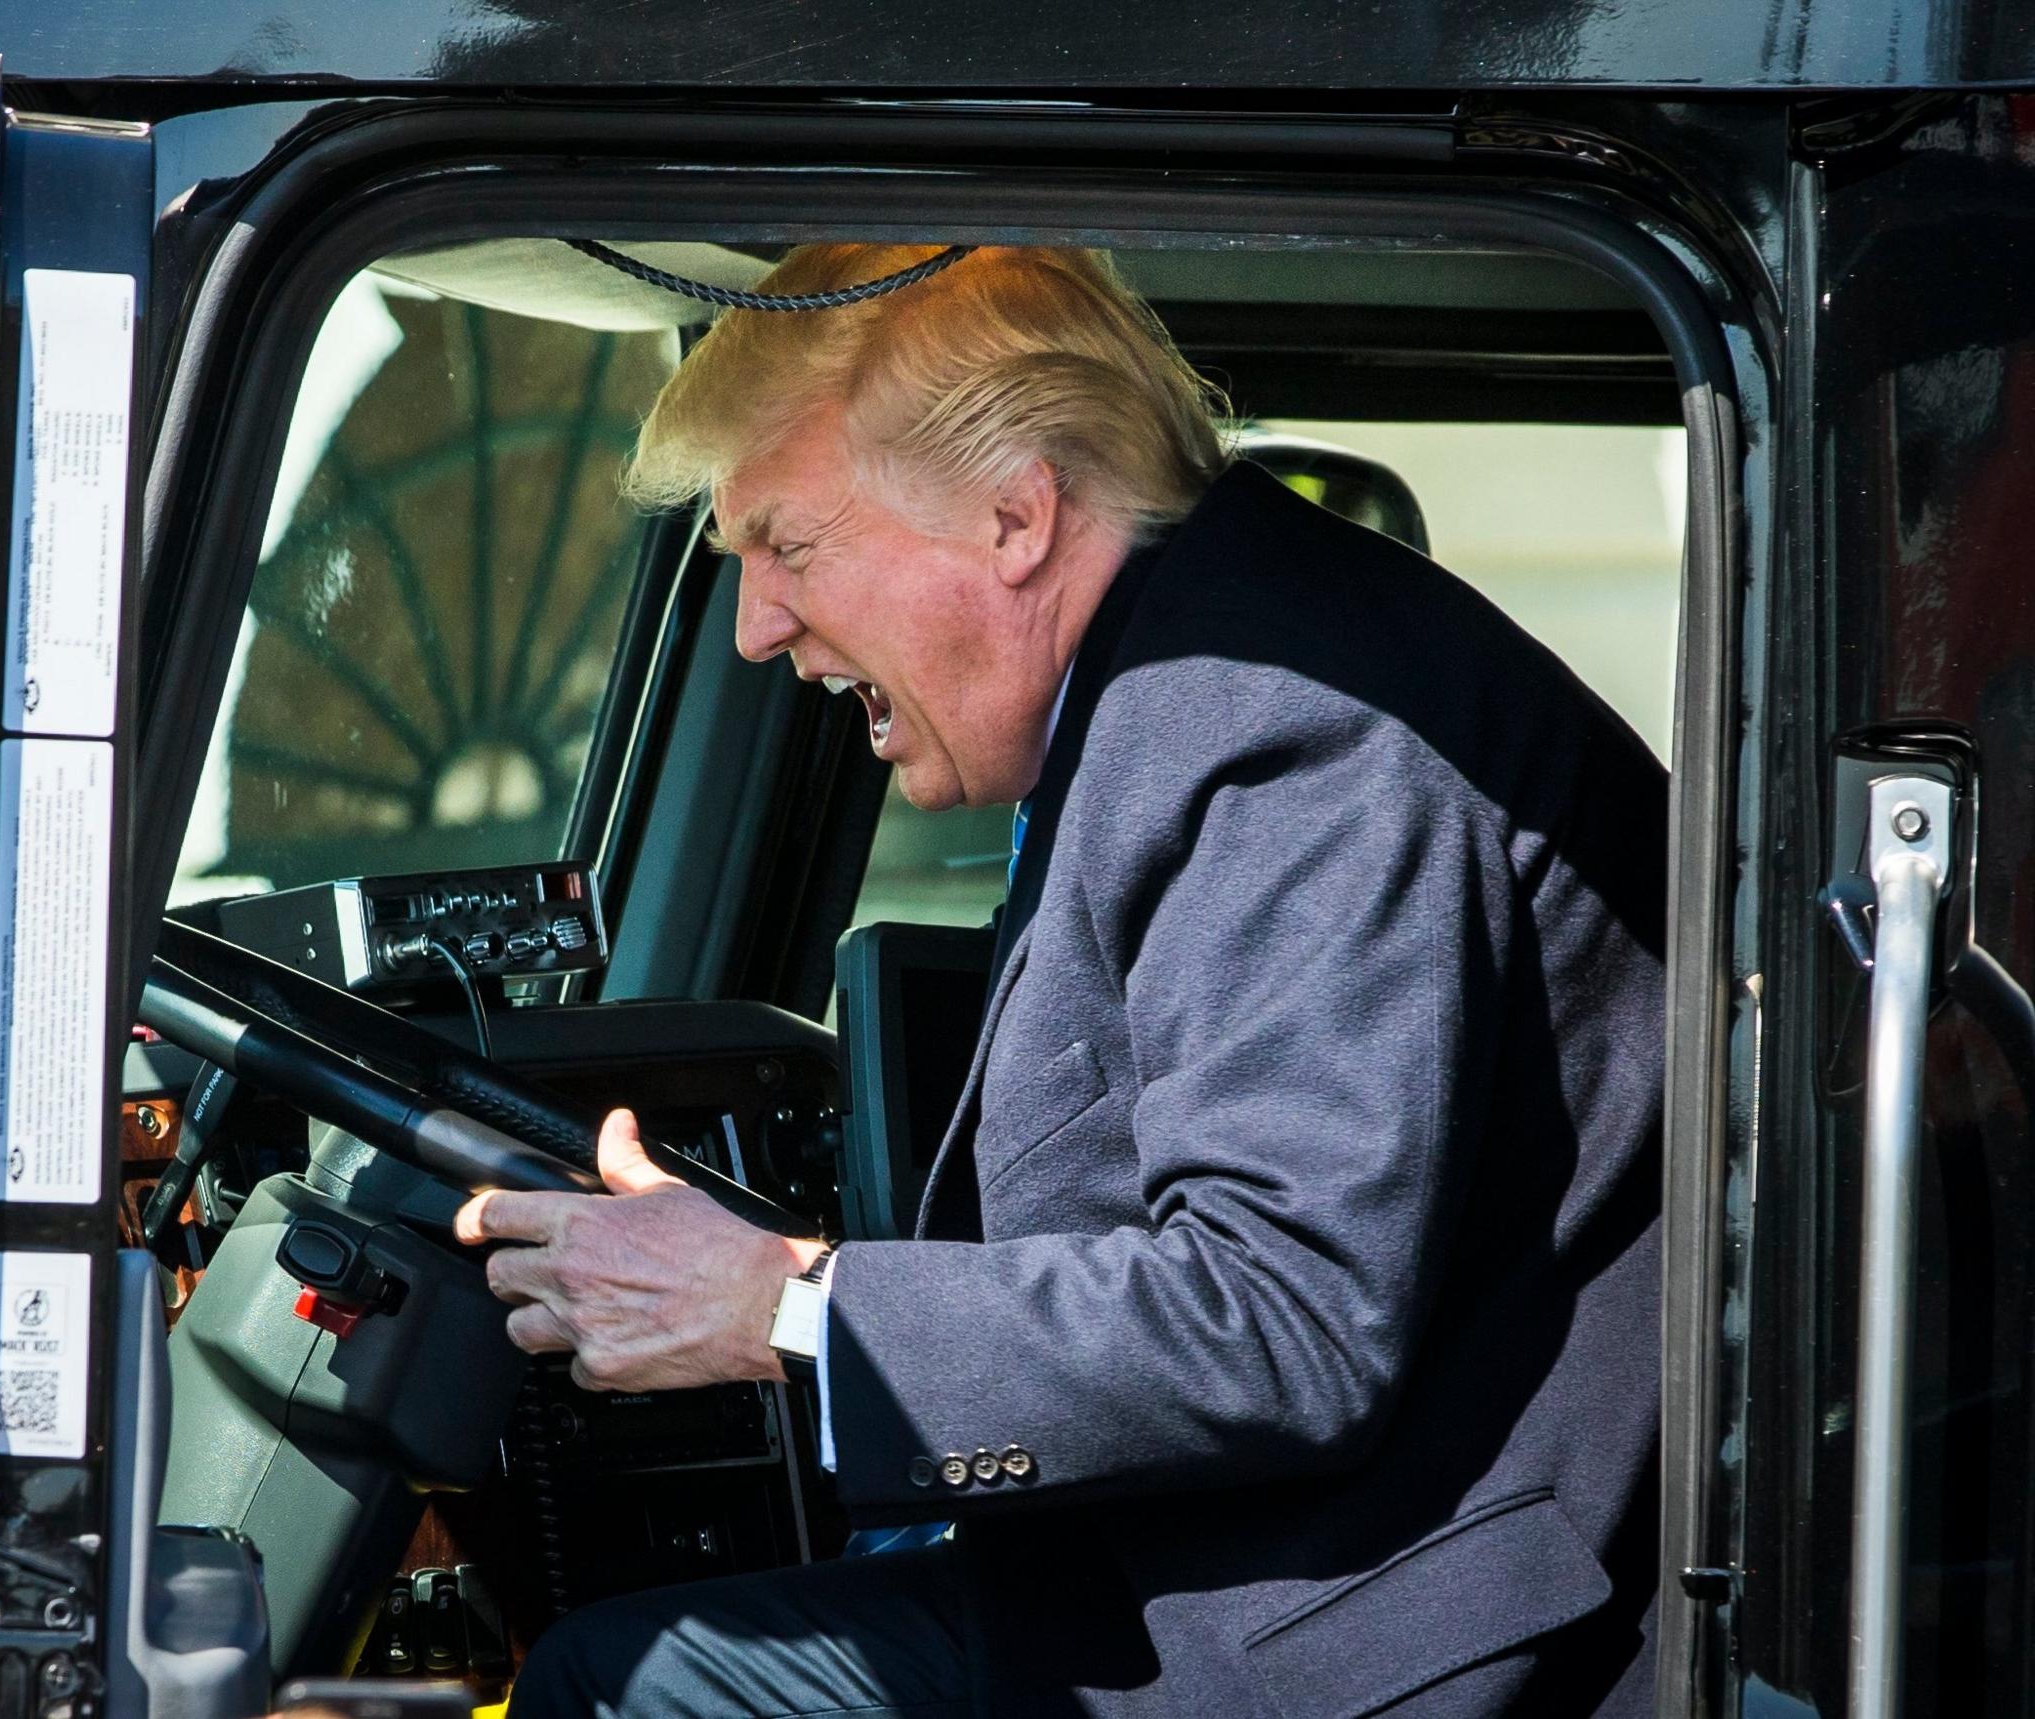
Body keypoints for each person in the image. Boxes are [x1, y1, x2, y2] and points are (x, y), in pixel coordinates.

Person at [458, 244, 1667, 1717]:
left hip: (1368, 1639)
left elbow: (1279, 1317)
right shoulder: (1191, 685)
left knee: (626, 1682)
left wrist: (784, 1308)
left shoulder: (1279, 725)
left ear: (1016, 514)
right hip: (1264, 1572)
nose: (756, 627)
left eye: (786, 545)